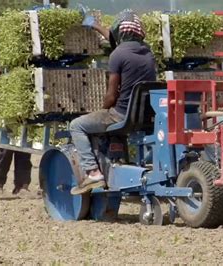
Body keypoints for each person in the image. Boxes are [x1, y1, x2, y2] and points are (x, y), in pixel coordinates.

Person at [69, 9, 156, 195]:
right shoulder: (148, 53)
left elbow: (111, 96)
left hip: (121, 115)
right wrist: (95, 25)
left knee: (76, 125)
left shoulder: (117, 55)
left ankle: (93, 173)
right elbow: (116, 39)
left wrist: (102, 111)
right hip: (143, 117)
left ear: (120, 32)